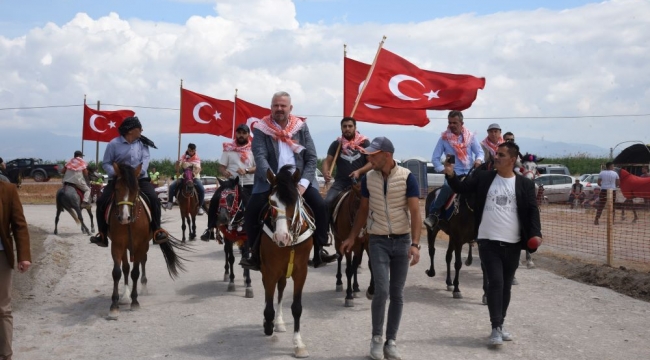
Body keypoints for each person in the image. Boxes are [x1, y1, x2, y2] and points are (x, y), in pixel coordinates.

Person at [441, 141, 542, 347]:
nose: (496, 157)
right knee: (495, 282)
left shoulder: (524, 184)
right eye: (496, 153)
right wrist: (450, 174)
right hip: (488, 241)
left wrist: (536, 234)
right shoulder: (484, 177)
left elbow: (532, 211)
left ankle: (501, 324)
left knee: (506, 286)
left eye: (501, 155)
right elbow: (462, 187)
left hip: (513, 243)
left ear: (512, 160)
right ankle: (496, 327)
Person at [340, 137, 421, 360]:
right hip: (377, 241)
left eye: (372, 154)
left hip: (402, 240)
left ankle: (391, 341)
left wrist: (414, 244)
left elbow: (415, 212)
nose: (368, 158)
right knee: (382, 290)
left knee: (397, 293)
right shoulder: (368, 179)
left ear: (386, 154)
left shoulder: (407, 177)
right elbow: (363, 210)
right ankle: (376, 338)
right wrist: (351, 236)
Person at [239, 91, 338, 270]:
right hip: (271, 180)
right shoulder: (261, 128)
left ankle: (320, 249)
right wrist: (273, 180)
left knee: (321, 206)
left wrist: (303, 185)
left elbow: (312, 157)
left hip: (298, 180)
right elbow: (260, 157)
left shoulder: (301, 127)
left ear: (290, 108)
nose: (279, 109)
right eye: (276, 105)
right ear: (271, 107)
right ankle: (253, 254)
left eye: (283, 106)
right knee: (252, 210)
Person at [89, 116, 169, 247]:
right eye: (139, 128)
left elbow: (145, 162)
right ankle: (102, 235)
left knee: (154, 199)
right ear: (131, 130)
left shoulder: (143, 144)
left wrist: (136, 173)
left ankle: (156, 230)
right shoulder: (113, 144)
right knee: (101, 201)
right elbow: (106, 163)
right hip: (119, 180)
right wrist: (117, 173)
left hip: (139, 179)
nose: (142, 130)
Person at [424, 110, 484, 230]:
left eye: (454, 123)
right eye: (450, 122)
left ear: (462, 123)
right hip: (453, 174)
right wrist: (444, 170)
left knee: (482, 189)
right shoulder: (444, 139)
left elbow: (480, 152)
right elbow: (435, 158)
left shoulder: (471, 137)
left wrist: (478, 160)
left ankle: (482, 218)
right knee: (447, 187)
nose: (451, 125)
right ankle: (434, 213)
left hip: (469, 173)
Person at [200, 124, 255, 241]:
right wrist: (224, 172)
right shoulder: (228, 149)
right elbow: (221, 166)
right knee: (215, 199)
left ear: (248, 135)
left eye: (244, 133)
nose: (241, 135)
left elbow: (258, 167)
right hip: (231, 183)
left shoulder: (253, 149)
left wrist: (247, 170)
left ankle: (258, 228)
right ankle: (210, 228)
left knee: (255, 204)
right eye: (239, 133)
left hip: (249, 183)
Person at [0, 180, 32, 359]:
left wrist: (24, 255)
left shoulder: (8, 189)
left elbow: (19, 224)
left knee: (2, 308)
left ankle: (5, 355)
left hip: (1, 256)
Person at [321, 116, 372, 212]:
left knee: (375, 203)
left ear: (355, 128)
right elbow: (327, 161)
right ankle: (325, 227)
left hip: (361, 182)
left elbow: (371, 163)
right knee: (326, 203)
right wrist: (325, 173)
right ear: (341, 128)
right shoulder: (336, 144)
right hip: (341, 183)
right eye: (344, 126)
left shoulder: (364, 143)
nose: (347, 128)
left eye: (350, 126)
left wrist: (359, 171)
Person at [164, 143, 205, 215]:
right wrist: (177, 164)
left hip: (194, 177)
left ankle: (200, 206)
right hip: (184, 177)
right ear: (188, 149)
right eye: (190, 150)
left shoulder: (197, 158)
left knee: (201, 189)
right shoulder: (183, 157)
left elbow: (198, 169)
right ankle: (170, 202)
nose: (191, 152)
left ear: (195, 150)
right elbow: (177, 168)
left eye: (192, 151)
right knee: (172, 186)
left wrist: (193, 173)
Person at [594, 161, 620, 225]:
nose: (613, 167)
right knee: (612, 205)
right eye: (613, 166)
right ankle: (612, 220)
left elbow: (599, 183)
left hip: (604, 190)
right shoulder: (615, 173)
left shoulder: (602, 173)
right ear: (610, 166)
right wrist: (614, 186)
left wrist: (603, 186)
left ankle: (596, 219)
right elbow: (618, 183)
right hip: (612, 190)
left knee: (601, 205)